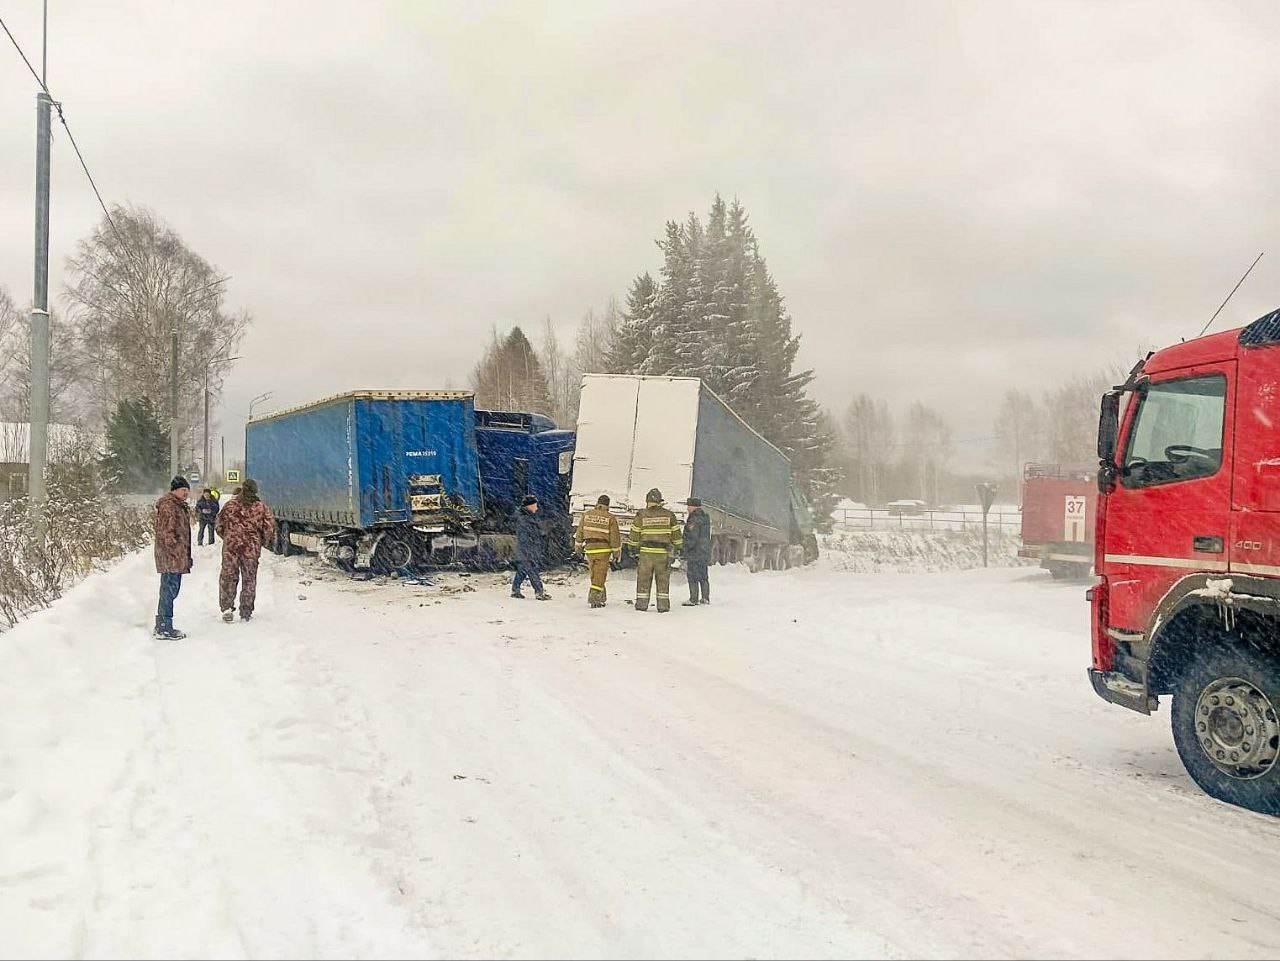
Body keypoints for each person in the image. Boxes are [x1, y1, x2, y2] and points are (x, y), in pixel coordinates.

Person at [214, 478, 276, 622]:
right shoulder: (261, 507)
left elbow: (218, 525)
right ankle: (246, 611)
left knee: (228, 577)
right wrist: (260, 541)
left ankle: (227, 607)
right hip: (251, 549)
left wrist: (228, 537)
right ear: (255, 491)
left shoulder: (230, 506)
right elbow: (269, 528)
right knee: (249, 579)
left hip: (231, 548)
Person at [627, 488, 682, 612]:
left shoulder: (642, 515)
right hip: (663, 554)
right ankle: (663, 606)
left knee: (643, 579)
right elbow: (676, 535)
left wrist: (631, 548)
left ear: (647, 501)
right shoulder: (669, 515)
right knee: (663, 579)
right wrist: (678, 548)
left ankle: (641, 604)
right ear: (660, 501)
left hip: (646, 554)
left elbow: (634, 534)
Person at [153, 476, 193, 640]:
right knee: (169, 591)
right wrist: (176, 551)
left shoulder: (177, 506)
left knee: (170, 591)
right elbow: (167, 532)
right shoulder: (170, 506)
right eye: (183, 490)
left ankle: (162, 625)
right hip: (171, 557)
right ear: (175, 490)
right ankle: (164, 627)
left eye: (187, 491)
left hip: (175, 556)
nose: (186, 494)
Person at [575, 494, 621, 608]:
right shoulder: (610, 517)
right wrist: (616, 553)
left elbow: (579, 532)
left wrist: (578, 548)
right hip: (603, 550)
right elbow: (615, 537)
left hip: (589, 549)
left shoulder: (586, 515)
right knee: (600, 575)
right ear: (607, 505)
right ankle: (594, 599)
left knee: (595, 574)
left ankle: (601, 598)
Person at [512, 494, 551, 600]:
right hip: (528, 549)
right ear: (529, 506)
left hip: (527, 548)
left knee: (523, 569)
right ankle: (539, 592)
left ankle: (515, 589)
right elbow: (527, 536)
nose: (536, 508)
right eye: (535, 505)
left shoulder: (526, 517)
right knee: (532, 569)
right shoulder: (525, 519)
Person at [681, 497, 712, 606]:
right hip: (703, 552)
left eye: (689, 506)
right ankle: (705, 598)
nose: (687, 508)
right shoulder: (705, 517)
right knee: (703, 575)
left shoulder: (694, 519)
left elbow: (692, 537)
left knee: (692, 575)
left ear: (694, 506)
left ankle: (693, 599)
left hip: (695, 552)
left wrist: (684, 548)